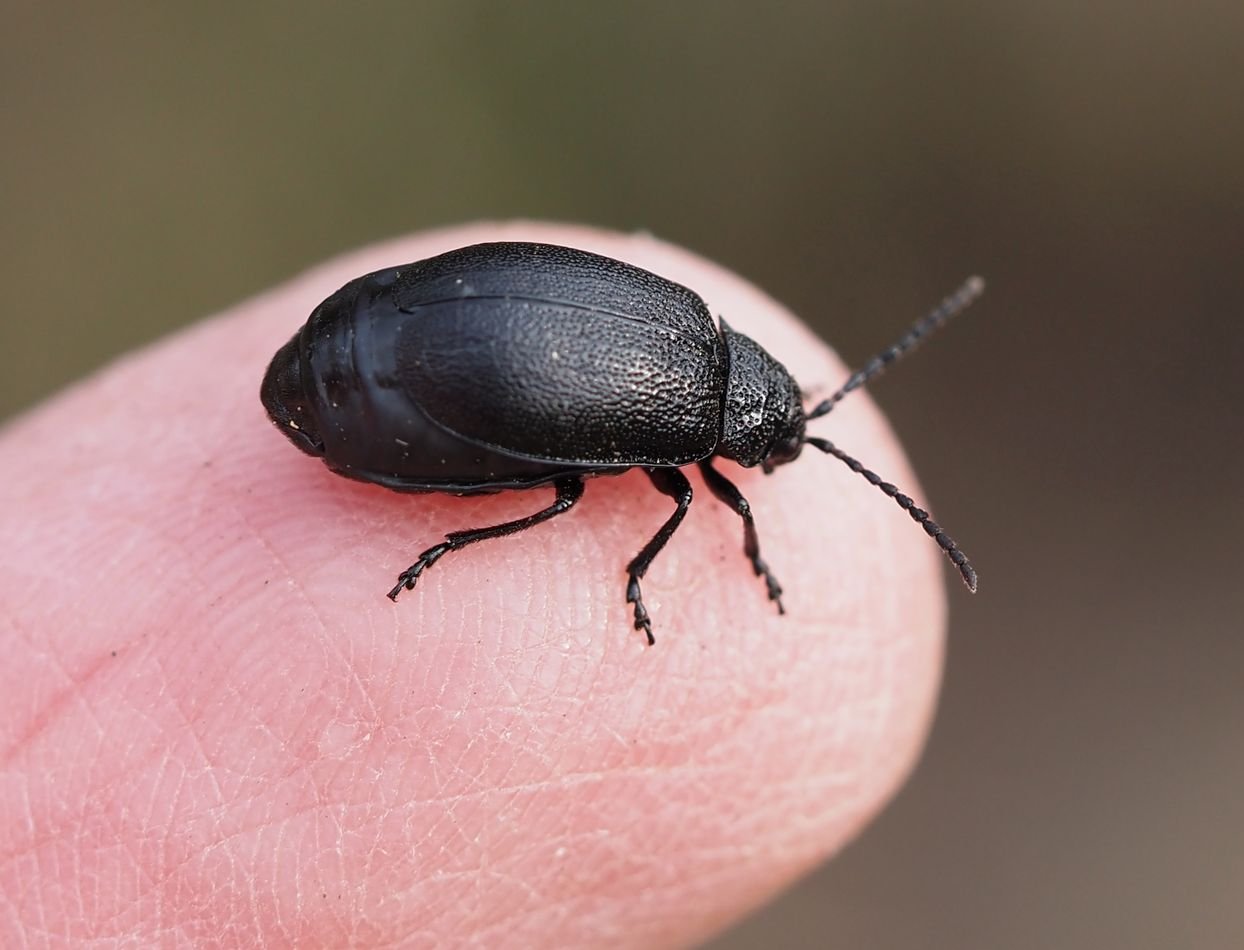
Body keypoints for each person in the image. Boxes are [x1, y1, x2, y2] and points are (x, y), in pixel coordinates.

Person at [0, 223, 945, 946]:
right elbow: (697, 495)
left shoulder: (690, 322)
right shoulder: (691, 415)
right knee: (570, 498)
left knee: (569, 488)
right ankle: (473, 548)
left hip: (396, 333)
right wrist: (649, 572)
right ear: (748, 421)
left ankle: (455, 541)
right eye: (779, 442)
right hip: (376, 370)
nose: (771, 466)